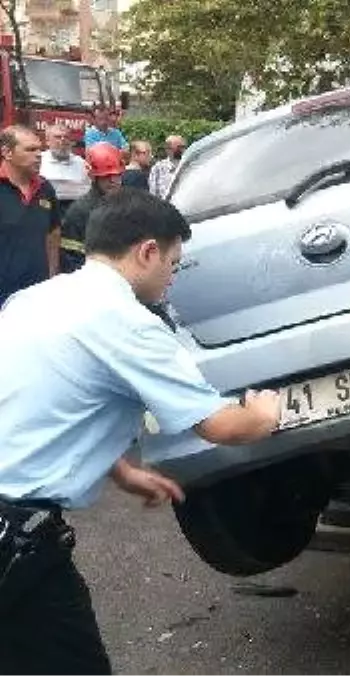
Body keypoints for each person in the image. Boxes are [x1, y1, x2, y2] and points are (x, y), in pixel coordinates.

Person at [0, 189, 282, 673]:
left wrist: (122, 471)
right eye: (174, 263)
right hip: (16, 539)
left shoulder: (32, 300)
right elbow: (221, 425)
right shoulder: (129, 324)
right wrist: (266, 412)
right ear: (147, 251)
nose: (172, 277)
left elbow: (44, 405)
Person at [0, 125, 61, 309]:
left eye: (40, 149)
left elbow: (53, 233)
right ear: (7, 152)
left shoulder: (45, 189)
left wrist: (52, 278)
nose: (39, 154)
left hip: (36, 296)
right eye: (30, 149)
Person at [61, 142, 125, 274]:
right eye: (106, 176)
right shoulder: (79, 212)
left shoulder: (126, 205)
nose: (113, 180)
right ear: (93, 176)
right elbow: (71, 259)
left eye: (117, 174)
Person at [39, 124, 90, 208]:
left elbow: (89, 190)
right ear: (47, 141)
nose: (63, 140)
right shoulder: (39, 161)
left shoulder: (81, 163)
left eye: (66, 137)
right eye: (58, 137)